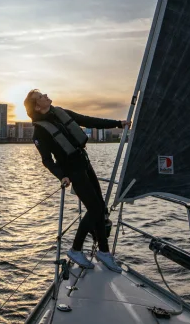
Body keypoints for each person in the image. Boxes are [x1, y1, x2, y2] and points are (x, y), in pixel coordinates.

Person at [24, 89, 131, 272]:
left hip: (84, 163)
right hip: (73, 171)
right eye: (40, 96)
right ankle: (76, 249)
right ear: (37, 106)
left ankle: (104, 252)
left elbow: (88, 120)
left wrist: (118, 124)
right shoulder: (39, 132)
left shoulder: (61, 113)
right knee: (95, 208)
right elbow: (47, 160)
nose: (45, 95)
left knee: (100, 208)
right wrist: (62, 176)